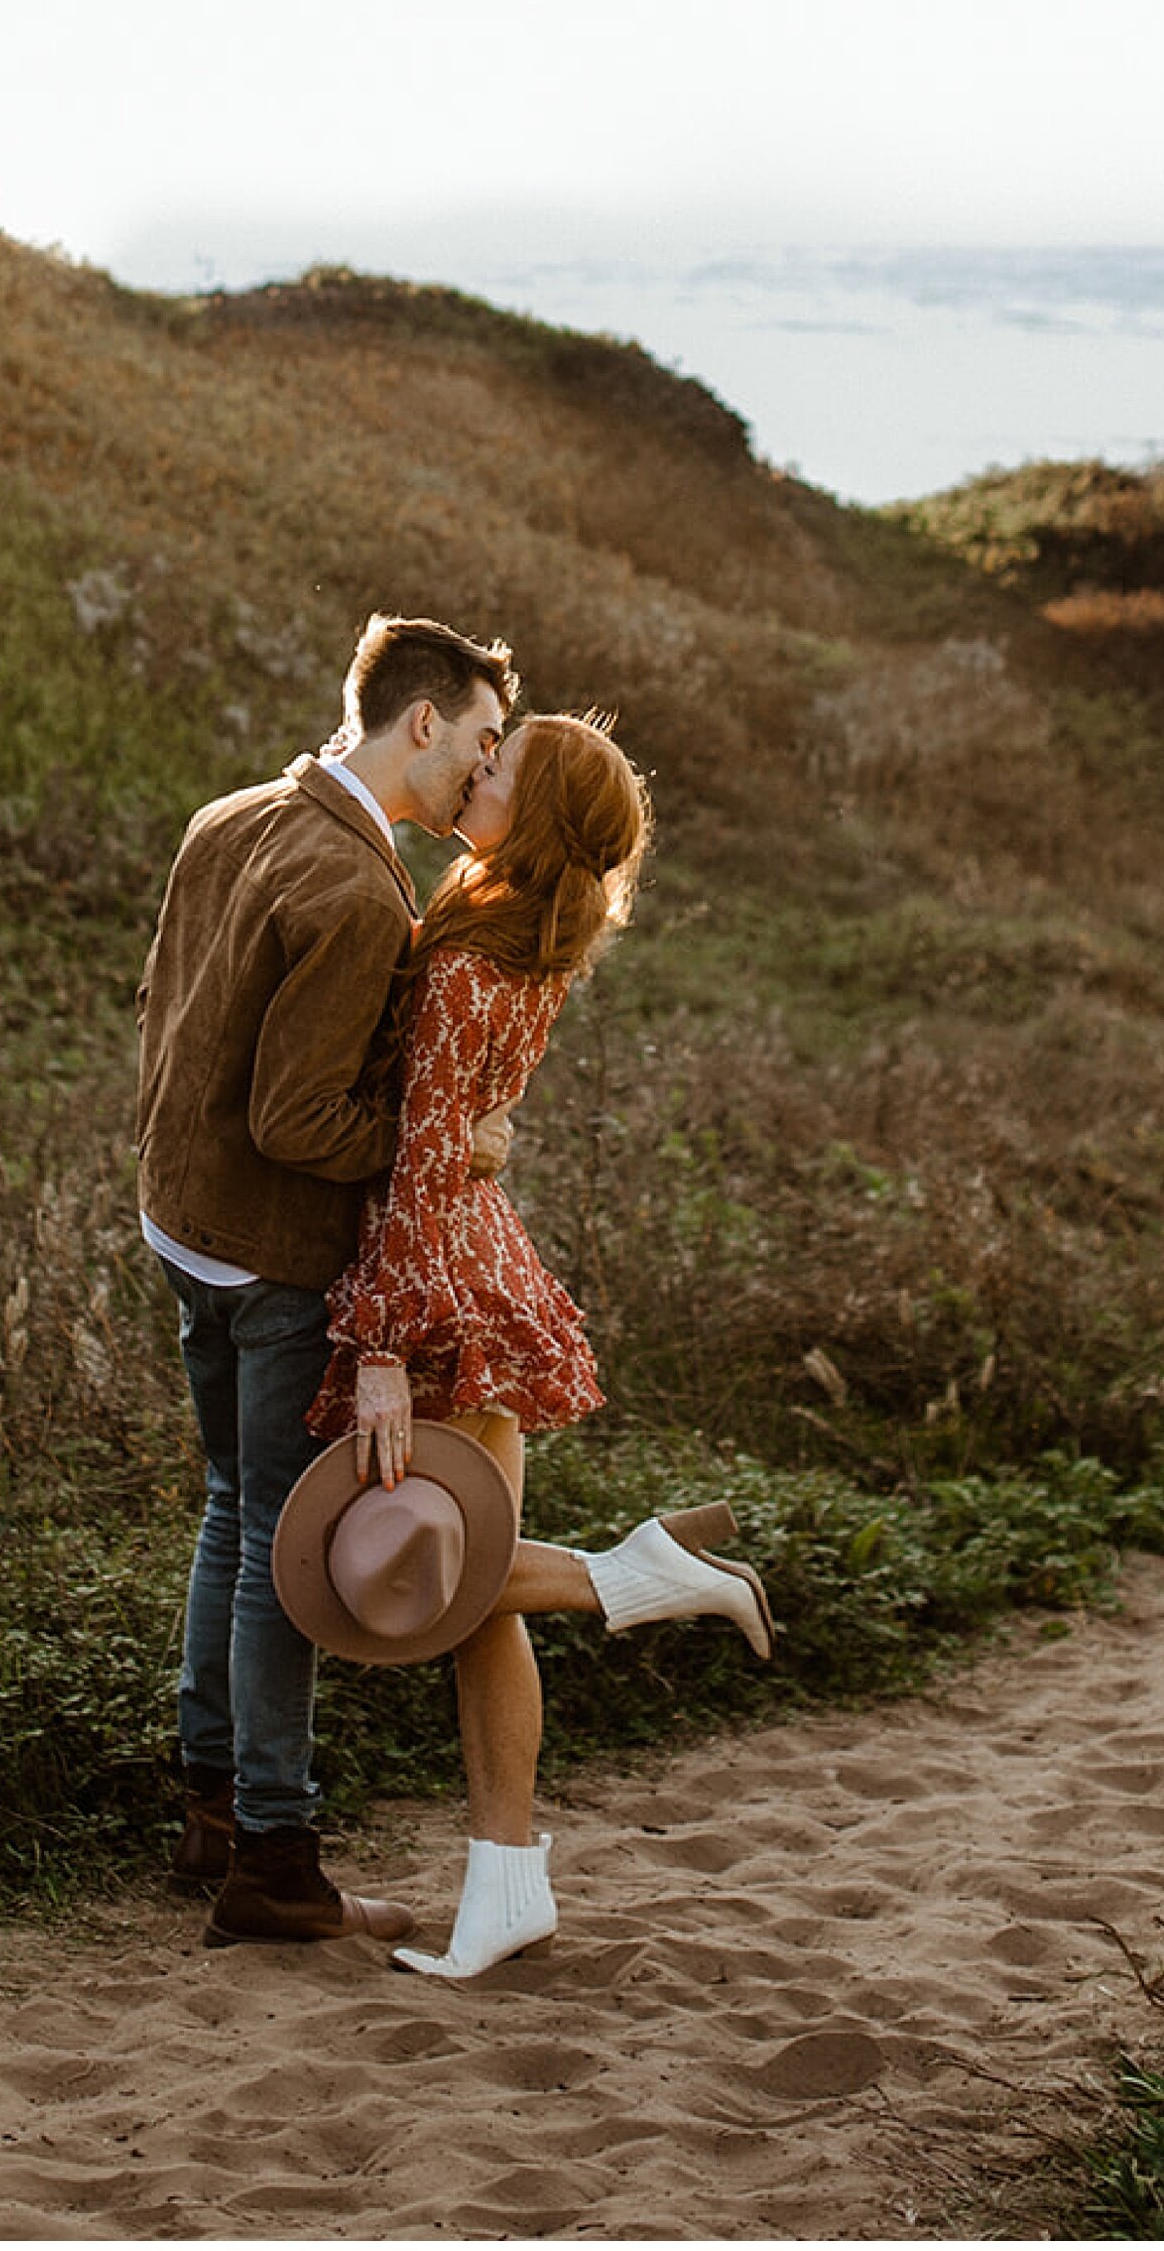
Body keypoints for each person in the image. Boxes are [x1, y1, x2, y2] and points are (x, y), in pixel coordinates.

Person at [306, 710, 775, 1982]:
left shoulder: (468, 959)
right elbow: (468, 1126)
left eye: (499, 767)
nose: (477, 767)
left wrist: (387, 1342)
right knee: (471, 1597)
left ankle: (639, 1572)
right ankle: (507, 1888)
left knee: (444, 1582)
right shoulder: (521, 933)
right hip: (478, 1252)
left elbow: (415, 1156)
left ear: (544, 815)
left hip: (439, 1272)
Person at [135, 609, 516, 1948]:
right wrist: (447, 1147)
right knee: (279, 1557)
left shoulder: (231, 815)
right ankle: (275, 1854)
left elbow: (169, 1015)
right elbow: (302, 1123)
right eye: (478, 740)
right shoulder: (360, 893)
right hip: (267, 1256)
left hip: (179, 1223)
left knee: (232, 1509)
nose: (483, 768)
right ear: (424, 721)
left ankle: (210, 1804)